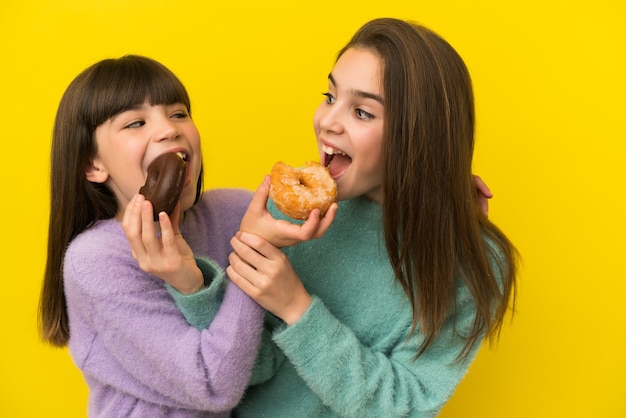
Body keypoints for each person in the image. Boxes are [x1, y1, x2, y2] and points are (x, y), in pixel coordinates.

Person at [220, 18, 518, 417]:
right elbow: (235, 373)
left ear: (418, 134)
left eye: (362, 112)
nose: (327, 120)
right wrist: (219, 272)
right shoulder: (290, 212)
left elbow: (406, 408)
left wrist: (296, 307)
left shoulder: (471, 263)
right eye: (329, 96)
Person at [37, 55, 289, 417]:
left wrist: (195, 284)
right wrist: (253, 252)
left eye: (178, 113)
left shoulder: (236, 211)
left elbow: (267, 360)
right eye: (136, 122)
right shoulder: (96, 259)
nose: (170, 129)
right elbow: (212, 385)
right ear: (93, 165)